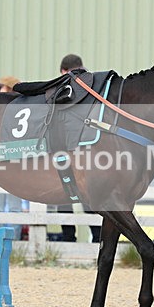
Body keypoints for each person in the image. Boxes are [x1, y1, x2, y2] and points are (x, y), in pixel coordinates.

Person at [56, 53, 101, 243]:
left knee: (63, 196)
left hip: (63, 150)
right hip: (89, 152)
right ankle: (98, 238)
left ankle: (68, 239)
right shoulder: (92, 86)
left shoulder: (63, 87)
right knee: (88, 198)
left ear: (63, 71)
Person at [0, 76, 25, 233]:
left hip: (9, 162)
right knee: (1, 206)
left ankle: (10, 241)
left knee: (12, 206)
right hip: (3, 160)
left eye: (1, 88)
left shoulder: (10, 111)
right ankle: (1, 240)